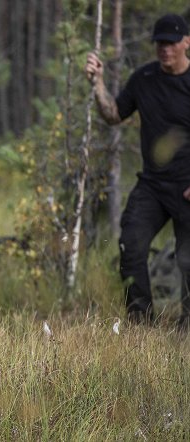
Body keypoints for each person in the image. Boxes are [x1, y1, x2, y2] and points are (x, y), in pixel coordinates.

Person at [85, 13, 190, 326]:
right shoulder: (144, 79)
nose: (164, 49)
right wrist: (98, 82)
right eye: (159, 43)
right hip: (154, 186)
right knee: (130, 245)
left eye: (170, 43)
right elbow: (114, 114)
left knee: (188, 260)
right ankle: (141, 321)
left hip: (188, 187)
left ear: (186, 42)